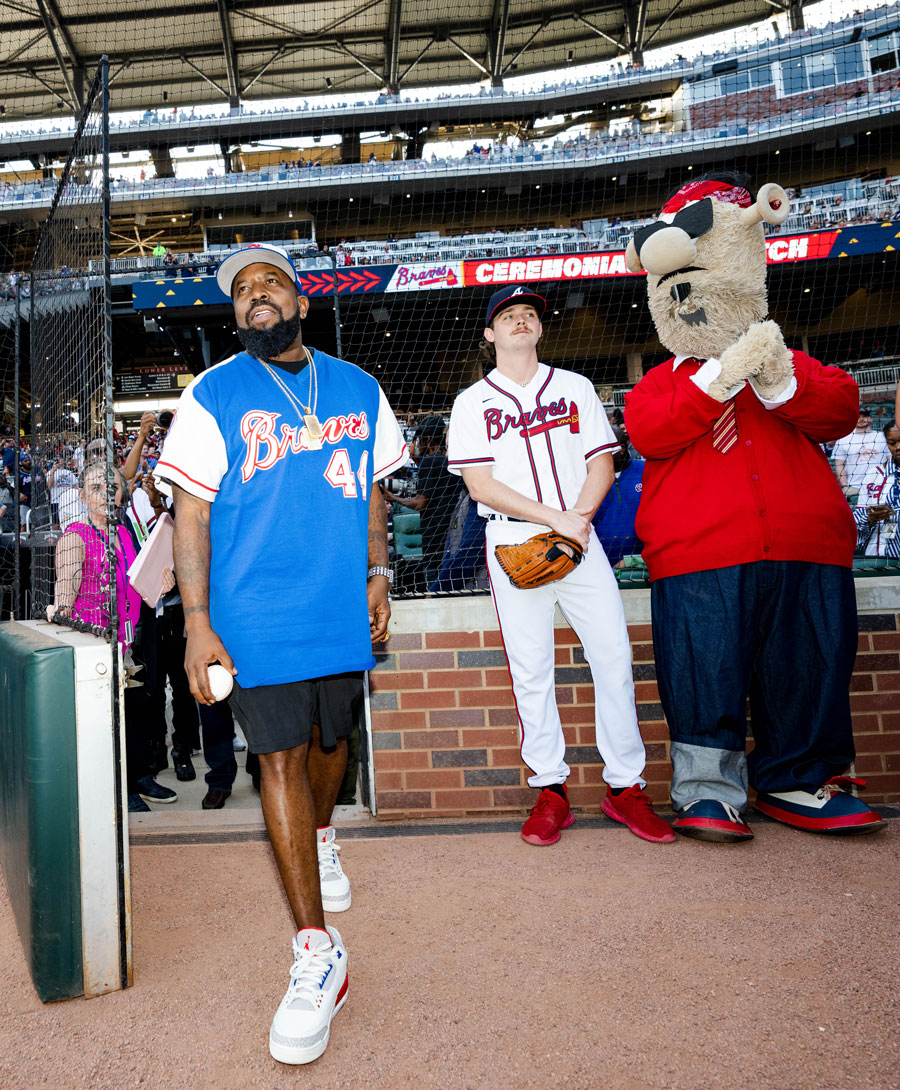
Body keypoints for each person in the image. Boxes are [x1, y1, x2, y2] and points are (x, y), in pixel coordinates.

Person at [154, 242, 407, 1066]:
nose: (254, 297)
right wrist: (197, 623)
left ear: (301, 300)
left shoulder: (359, 387)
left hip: (338, 605)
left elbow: (372, 484)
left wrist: (378, 570)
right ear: (234, 317)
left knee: (333, 745)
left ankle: (323, 834)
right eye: (241, 293)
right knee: (280, 758)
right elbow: (190, 514)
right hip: (253, 614)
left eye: (270, 284)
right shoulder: (212, 393)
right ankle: (316, 951)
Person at [447, 285, 674, 848]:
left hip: (579, 539)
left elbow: (602, 463)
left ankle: (625, 788)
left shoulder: (574, 388)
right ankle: (550, 790)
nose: (521, 321)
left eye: (530, 314)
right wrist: (559, 519)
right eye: (509, 315)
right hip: (515, 544)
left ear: (541, 329)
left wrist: (577, 520)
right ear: (490, 334)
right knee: (531, 672)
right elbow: (481, 485)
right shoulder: (472, 402)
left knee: (614, 660)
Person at [48, 461, 176, 812]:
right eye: (94, 487)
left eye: (110, 487)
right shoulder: (75, 538)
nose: (104, 493)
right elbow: (63, 605)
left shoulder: (124, 533)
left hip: (131, 647)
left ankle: (136, 778)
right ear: (81, 495)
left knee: (136, 717)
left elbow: (138, 588)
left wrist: (161, 586)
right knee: (105, 725)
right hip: (96, 653)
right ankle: (119, 790)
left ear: (121, 493)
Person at [383, 416, 461, 584]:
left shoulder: (429, 462)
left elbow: (420, 503)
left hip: (434, 538)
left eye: (418, 439)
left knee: (434, 586)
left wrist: (393, 498)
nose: (417, 444)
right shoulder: (451, 462)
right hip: (452, 537)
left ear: (427, 438)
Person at [591, 426, 644, 567]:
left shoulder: (644, 471)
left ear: (621, 448)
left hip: (642, 559)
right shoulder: (590, 478)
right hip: (603, 561)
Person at [854, 420, 900, 558]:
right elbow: (858, 517)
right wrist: (869, 518)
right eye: (892, 443)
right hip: (876, 554)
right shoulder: (874, 474)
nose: (897, 447)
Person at [832, 408, 889, 503]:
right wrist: (845, 486)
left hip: (881, 484)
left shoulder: (882, 436)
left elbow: (890, 459)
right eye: (858, 417)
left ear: (871, 419)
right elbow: (839, 464)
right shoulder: (843, 440)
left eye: (864, 416)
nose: (861, 419)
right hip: (854, 487)